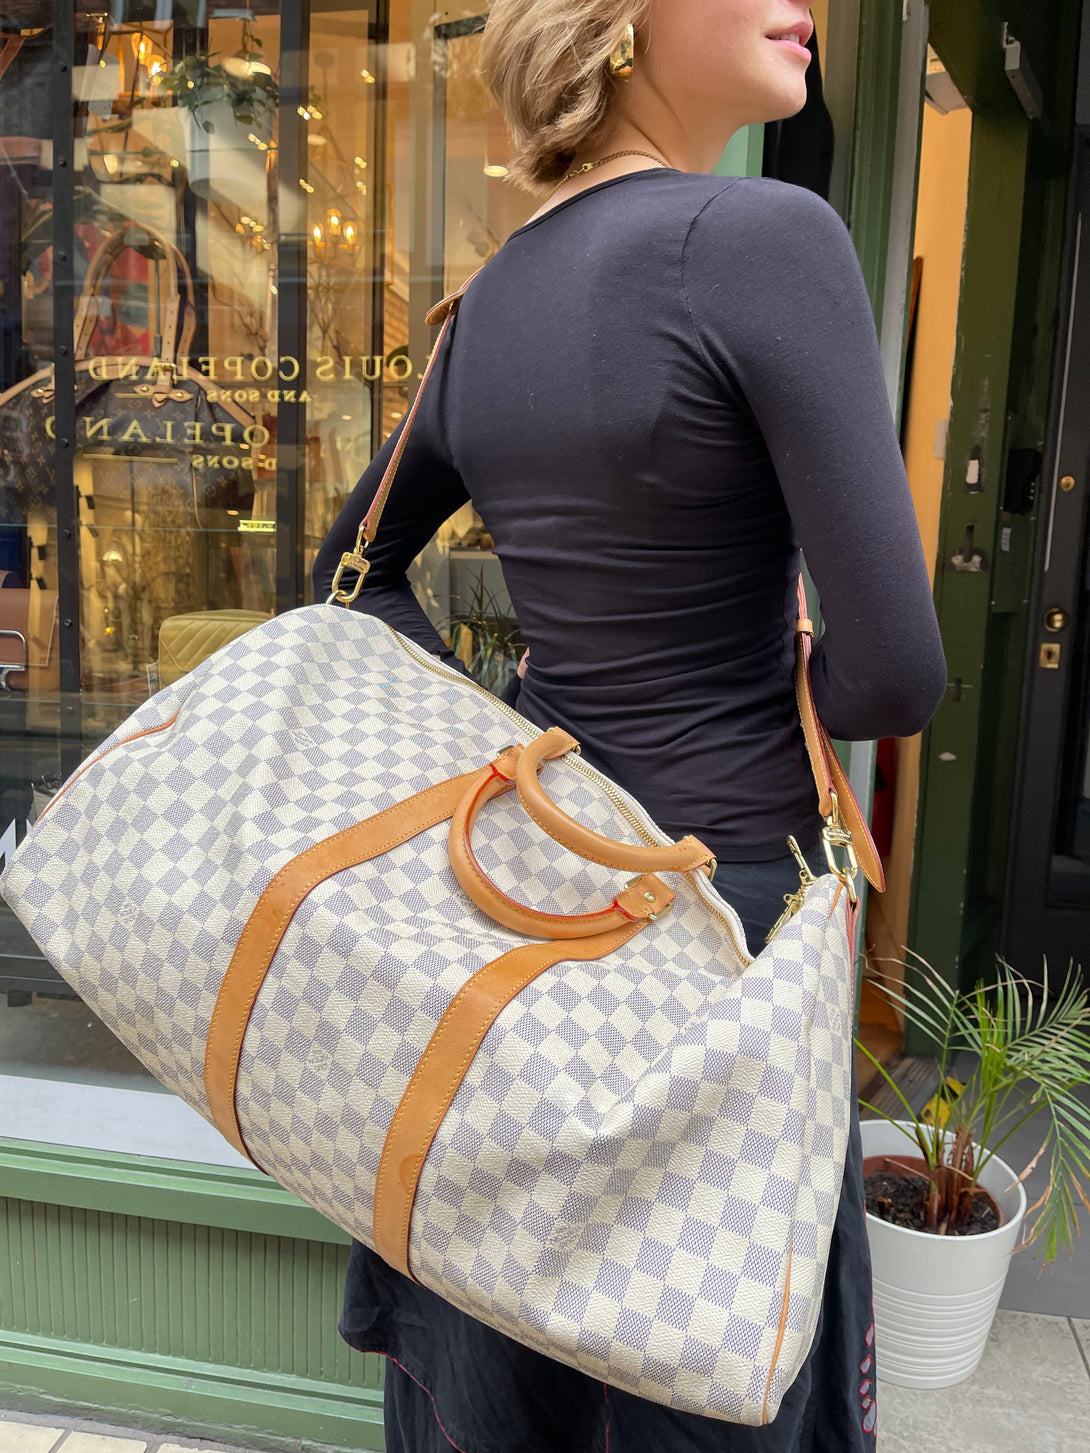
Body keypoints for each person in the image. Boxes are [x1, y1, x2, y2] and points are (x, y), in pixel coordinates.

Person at [314, 3, 947, 1448]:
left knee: (504, 1352)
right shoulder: (765, 239)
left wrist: (508, 753)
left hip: (513, 911)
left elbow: (352, 579)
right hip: (715, 933)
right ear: (616, 24)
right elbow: (894, 676)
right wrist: (766, 692)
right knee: (703, 1371)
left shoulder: (491, 298)